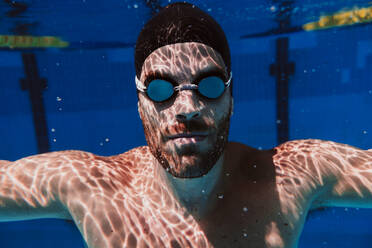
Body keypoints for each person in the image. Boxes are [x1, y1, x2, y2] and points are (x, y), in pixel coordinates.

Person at [1, 2, 371, 248]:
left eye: (209, 86)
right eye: (162, 90)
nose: (188, 108)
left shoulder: (291, 176)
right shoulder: (92, 187)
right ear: (140, 103)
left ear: (231, 96)